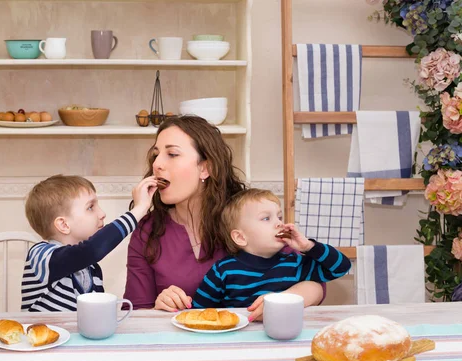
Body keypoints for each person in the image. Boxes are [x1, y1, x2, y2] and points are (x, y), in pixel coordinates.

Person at [123, 115, 325, 312]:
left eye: (172, 154)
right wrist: (159, 306)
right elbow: (137, 310)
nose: (157, 164)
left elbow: (315, 285)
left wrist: (283, 300)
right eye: (155, 155)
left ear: (205, 168)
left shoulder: (246, 213)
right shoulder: (148, 230)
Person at [192, 189, 351, 321]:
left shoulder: (295, 263)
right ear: (240, 237)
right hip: (238, 342)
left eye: (279, 217)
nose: (279, 223)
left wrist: (308, 246)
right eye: (266, 218)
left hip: (286, 337)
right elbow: (198, 312)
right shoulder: (223, 270)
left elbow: (341, 267)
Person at [22, 174, 157, 312]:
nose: (102, 213)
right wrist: (139, 209)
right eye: (90, 207)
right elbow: (91, 250)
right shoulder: (41, 255)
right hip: (40, 332)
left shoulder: (92, 268)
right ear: (63, 224)